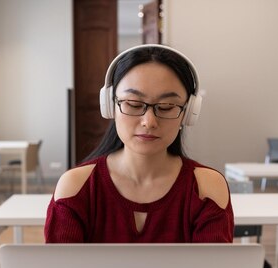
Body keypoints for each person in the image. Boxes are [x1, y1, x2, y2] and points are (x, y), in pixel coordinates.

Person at [45, 44, 234, 243]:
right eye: (134, 104)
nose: (149, 122)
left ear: (188, 113)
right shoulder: (76, 187)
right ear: (110, 107)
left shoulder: (206, 189)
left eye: (166, 107)